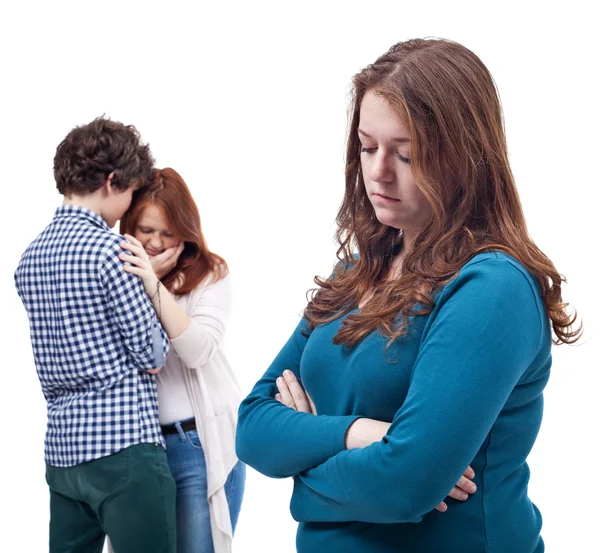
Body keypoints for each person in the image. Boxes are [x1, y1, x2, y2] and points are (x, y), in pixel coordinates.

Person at [235, 38, 581, 553]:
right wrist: (356, 434)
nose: (378, 171)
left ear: (467, 157)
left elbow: (405, 485)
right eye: (367, 146)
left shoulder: (492, 288)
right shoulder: (355, 269)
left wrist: (301, 477)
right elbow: (252, 425)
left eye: (407, 154)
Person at [14, 117, 176, 553]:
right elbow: (153, 352)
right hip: (124, 448)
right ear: (111, 181)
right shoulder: (112, 251)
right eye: (130, 192)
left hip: (63, 454)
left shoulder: (28, 260)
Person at [117, 167, 245, 553]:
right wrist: (133, 283)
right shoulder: (112, 276)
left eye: (167, 232)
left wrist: (151, 285)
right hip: (139, 451)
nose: (154, 242)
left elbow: (197, 350)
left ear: (185, 231)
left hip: (197, 446)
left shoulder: (211, 273)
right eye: (145, 230)